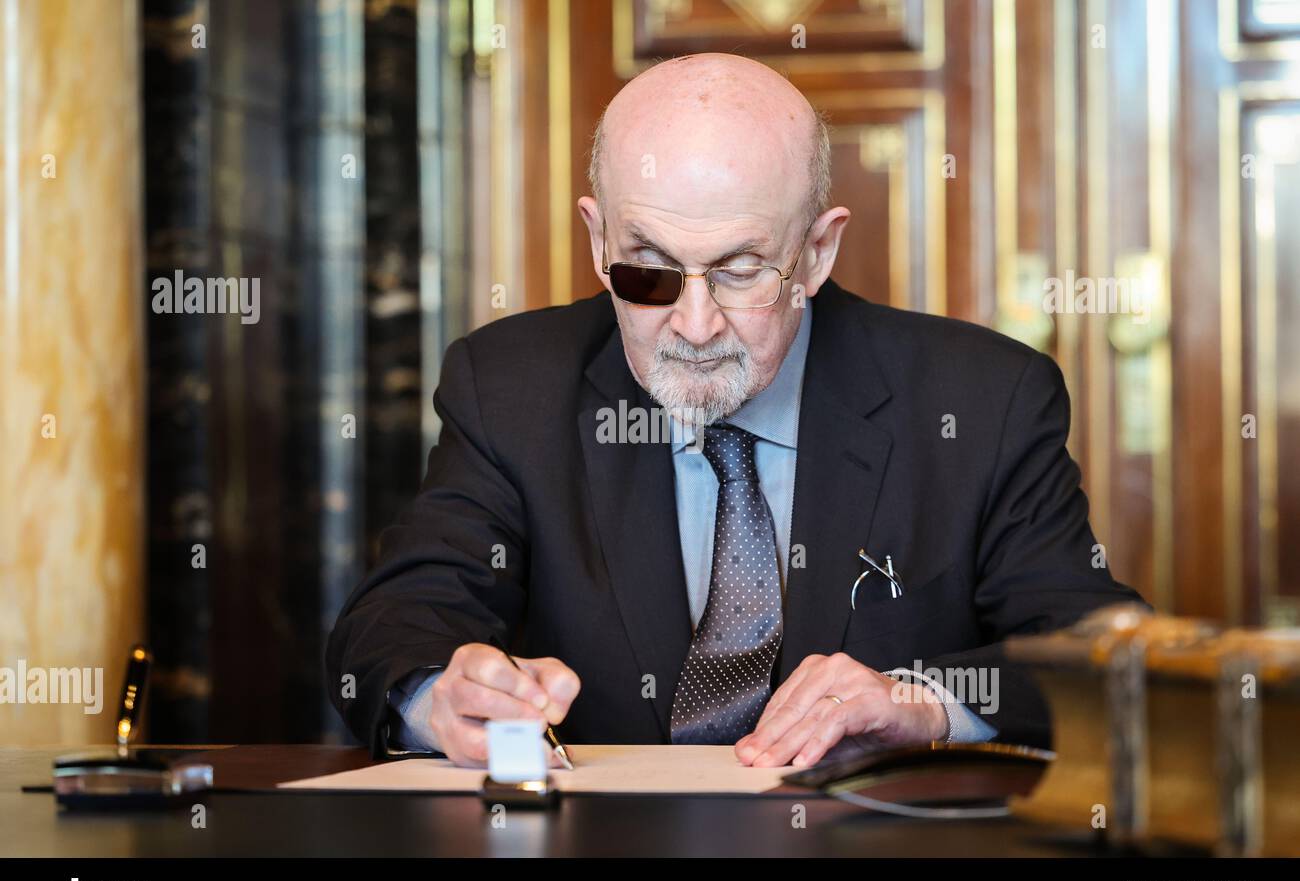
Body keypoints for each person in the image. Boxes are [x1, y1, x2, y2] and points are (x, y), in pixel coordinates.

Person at [327, 52, 1143, 768]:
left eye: (741, 269)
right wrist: (440, 696)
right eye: (646, 269)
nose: (693, 323)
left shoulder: (982, 400)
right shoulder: (510, 387)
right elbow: (395, 620)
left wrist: (925, 704)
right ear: (596, 240)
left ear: (817, 252)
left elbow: (1111, 659)